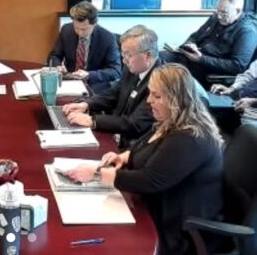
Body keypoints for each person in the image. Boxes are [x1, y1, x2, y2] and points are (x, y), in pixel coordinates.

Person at [63, 64, 224, 255]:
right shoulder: (173, 120)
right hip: (154, 205)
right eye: (150, 93)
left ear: (176, 99)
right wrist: (124, 157)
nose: (149, 101)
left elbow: (150, 180)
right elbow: (148, 146)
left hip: (177, 228)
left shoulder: (190, 138)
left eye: (157, 96)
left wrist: (97, 174)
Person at [62, 25, 160, 149]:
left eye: (129, 55)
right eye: (123, 54)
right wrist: (87, 104)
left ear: (148, 55)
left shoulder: (160, 82)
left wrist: (93, 121)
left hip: (133, 147)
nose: (124, 60)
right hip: (116, 133)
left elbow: (135, 124)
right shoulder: (134, 68)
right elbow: (115, 92)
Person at [161, 0, 257, 87]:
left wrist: (202, 59)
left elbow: (238, 66)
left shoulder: (247, 31)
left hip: (208, 68)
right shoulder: (215, 18)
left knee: (167, 72)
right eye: (217, 11)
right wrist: (190, 44)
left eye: (224, 13)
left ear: (238, 11)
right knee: (158, 57)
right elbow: (195, 36)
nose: (219, 16)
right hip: (193, 57)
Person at [49, 0, 121, 93]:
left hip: (94, 86)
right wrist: (57, 66)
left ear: (94, 24)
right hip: (69, 83)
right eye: (76, 28)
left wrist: (89, 75)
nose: (80, 33)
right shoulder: (66, 30)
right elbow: (55, 55)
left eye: (84, 29)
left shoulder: (107, 38)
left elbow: (115, 70)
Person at [211, 60, 257, 127]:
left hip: (252, 111)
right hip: (237, 100)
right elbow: (248, 76)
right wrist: (231, 89)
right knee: (205, 108)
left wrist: (253, 101)